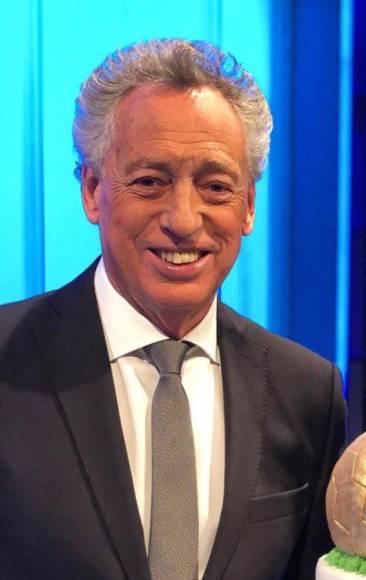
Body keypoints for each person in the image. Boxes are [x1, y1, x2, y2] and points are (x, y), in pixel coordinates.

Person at [0, 39, 345, 580]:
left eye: (215, 186)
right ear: (92, 189)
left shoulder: (306, 391)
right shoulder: (7, 359)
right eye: (149, 182)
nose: (184, 219)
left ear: (248, 205)